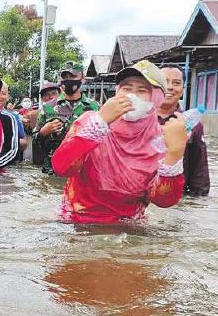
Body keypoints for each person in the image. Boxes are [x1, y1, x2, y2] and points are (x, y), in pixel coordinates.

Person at [51, 60, 188, 224]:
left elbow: (163, 200)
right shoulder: (90, 122)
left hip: (128, 229)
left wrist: (175, 155)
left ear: (156, 99)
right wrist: (100, 123)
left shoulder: (162, 140)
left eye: (142, 90)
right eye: (126, 88)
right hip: (75, 222)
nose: (132, 96)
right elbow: (61, 167)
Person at [34, 62, 100, 174]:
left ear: (82, 78)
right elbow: (35, 140)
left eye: (73, 76)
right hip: (53, 173)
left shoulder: (94, 107)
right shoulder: (48, 107)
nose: (68, 80)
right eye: (65, 77)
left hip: (84, 172)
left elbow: (102, 141)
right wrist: (43, 132)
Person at [158, 67, 210, 196]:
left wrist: (197, 201)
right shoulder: (138, 119)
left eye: (176, 83)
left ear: (182, 91)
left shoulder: (192, 124)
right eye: (164, 82)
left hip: (173, 196)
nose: (170, 87)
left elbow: (199, 166)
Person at [0, 84, 27, 159]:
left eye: (3, 93)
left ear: (7, 97)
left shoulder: (13, 117)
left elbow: (23, 141)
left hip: (6, 156)